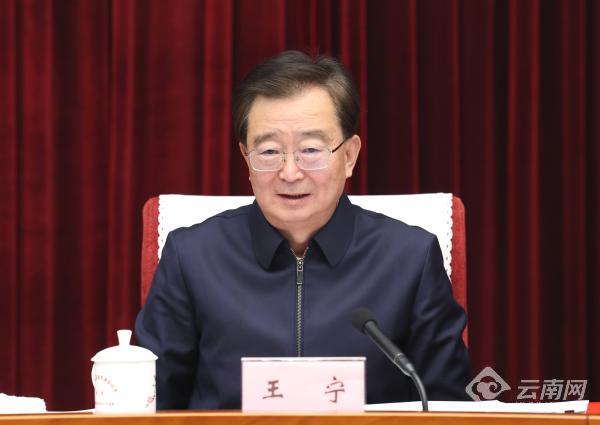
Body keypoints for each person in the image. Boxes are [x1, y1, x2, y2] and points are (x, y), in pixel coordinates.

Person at [135, 50, 470, 409]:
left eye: (311, 149)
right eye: (269, 152)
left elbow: (449, 406)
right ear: (246, 158)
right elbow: (148, 405)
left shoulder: (409, 259)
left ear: (349, 156)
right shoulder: (192, 257)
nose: (290, 172)